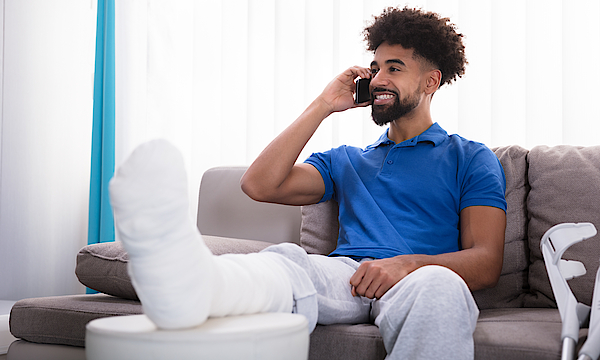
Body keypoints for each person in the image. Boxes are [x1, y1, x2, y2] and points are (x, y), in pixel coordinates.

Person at [109, 6, 507, 360]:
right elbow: (259, 185)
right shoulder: (346, 159)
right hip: (346, 276)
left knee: (440, 288)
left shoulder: (469, 156)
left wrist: (406, 265)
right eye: (376, 67)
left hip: (420, 278)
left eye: (394, 68)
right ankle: (194, 286)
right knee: (287, 264)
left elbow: (486, 262)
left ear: (430, 82)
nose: (379, 77)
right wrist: (324, 105)